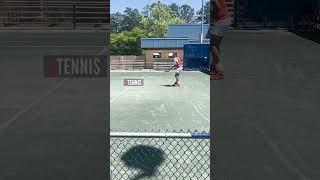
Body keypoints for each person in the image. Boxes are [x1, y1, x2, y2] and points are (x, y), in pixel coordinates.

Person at [210, 0, 232, 80]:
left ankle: (219, 71)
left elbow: (217, 6)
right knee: (216, 44)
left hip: (222, 21)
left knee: (212, 44)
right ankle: (213, 66)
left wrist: (212, 14)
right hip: (225, 20)